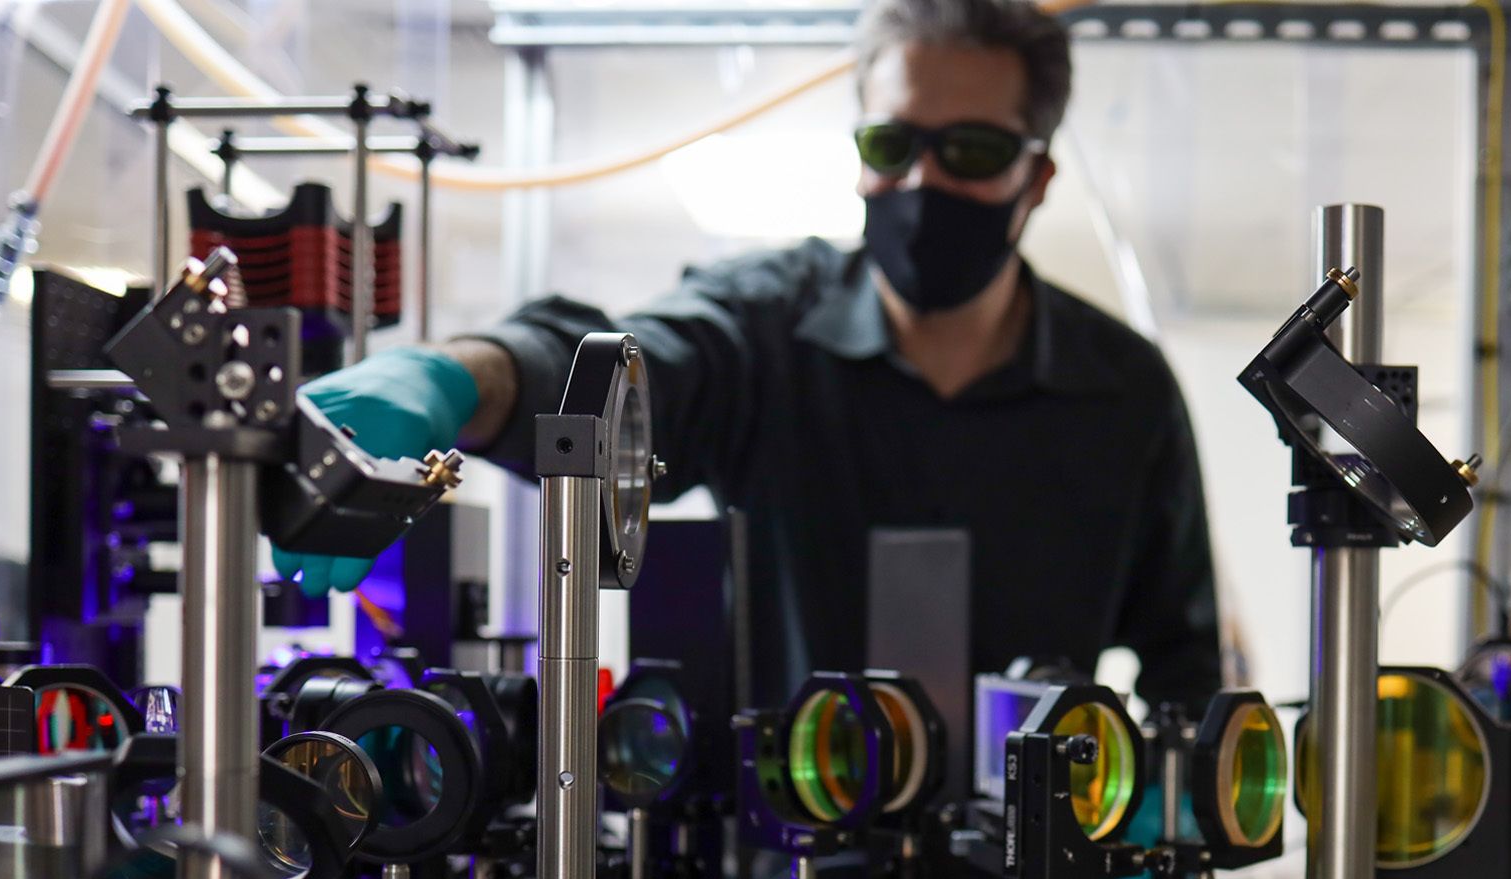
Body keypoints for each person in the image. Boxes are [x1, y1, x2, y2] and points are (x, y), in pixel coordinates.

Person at [274, 0, 1222, 713]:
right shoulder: (764, 331)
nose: (920, 181)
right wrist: (454, 376)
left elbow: (1186, 665)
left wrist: (1159, 816)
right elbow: (621, 374)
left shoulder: (1123, 391)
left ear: (1037, 176)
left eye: (970, 150)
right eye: (892, 144)